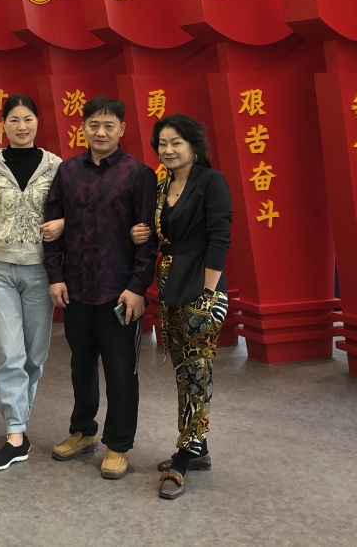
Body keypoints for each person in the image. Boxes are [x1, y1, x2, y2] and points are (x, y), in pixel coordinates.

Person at [43, 95, 156, 480]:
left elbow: (147, 239)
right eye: (94, 125)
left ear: (122, 129)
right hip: (76, 286)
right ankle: (83, 431)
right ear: (83, 128)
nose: (101, 132)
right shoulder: (68, 171)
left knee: (121, 370)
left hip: (118, 292)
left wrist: (137, 287)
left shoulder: (138, 174)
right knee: (80, 365)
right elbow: (51, 227)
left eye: (109, 125)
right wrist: (55, 276)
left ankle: (118, 444)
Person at [131, 113, 231, 499]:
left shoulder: (211, 182)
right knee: (183, 369)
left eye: (176, 143)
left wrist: (208, 294)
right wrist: (141, 234)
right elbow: (162, 240)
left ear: (193, 146)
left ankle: (185, 455)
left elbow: (220, 238)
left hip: (202, 287)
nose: (168, 150)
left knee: (197, 371)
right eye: (162, 144)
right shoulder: (162, 187)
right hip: (170, 285)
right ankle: (198, 447)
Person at [0, 95, 63, 471]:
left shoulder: (56, 166)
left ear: (37, 122)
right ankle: (15, 432)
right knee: (9, 353)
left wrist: (64, 224)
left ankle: (19, 422)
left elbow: (70, 211)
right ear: (4, 124)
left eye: (28, 119)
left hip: (40, 271)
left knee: (34, 355)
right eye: (14, 119)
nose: (21, 126)